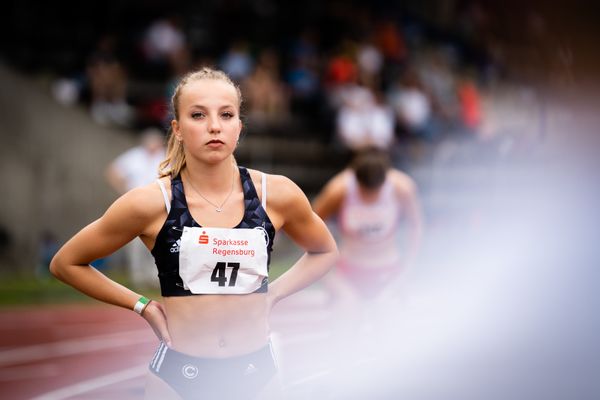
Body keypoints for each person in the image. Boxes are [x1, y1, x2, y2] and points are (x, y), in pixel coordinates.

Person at [50, 67, 338, 400]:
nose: (214, 126)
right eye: (198, 115)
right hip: (178, 377)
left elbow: (325, 250)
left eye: (226, 114)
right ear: (178, 129)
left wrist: (273, 294)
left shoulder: (276, 193)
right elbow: (66, 263)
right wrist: (142, 305)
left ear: (239, 127)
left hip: (256, 372)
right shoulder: (151, 202)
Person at [312, 147, 423, 308]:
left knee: (387, 313)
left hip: (388, 270)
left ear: (386, 179)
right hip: (348, 273)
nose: (371, 198)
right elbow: (309, 226)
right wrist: (328, 276)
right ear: (355, 180)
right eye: (365, 191)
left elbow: (416, 227)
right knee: (346, 311)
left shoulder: (403, 188)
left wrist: (407, 271)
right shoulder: (338, 189)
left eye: (376, 191)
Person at [105, 127, 166, 288]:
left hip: (159, 205)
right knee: (134, 242)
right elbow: (113, 171)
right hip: (135, 205)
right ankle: (138, 278)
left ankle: (156, 278)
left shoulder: (166, 156)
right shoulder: (134, 156)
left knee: (158, 241)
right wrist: (124, 190)